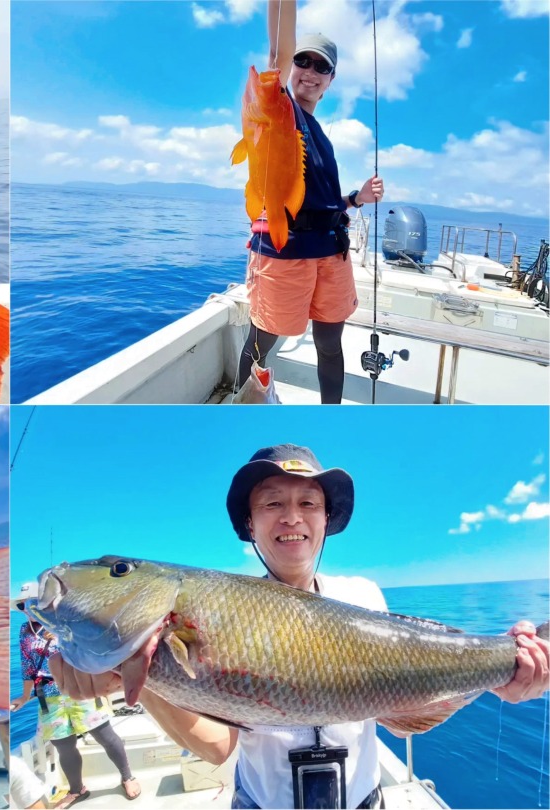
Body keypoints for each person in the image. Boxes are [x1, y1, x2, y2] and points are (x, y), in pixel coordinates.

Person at [50, 444, 550, 810]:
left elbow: (406, 709)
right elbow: (218, 746)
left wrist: (501, 675)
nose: (292, 517)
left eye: (308, 503)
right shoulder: (194, 616)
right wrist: (135, 676)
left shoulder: (363, 596)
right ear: (249, 524)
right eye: (272, 503)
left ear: (327, 518)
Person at [237, 1, 386, 404]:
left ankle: (330, 415)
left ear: (330, 79)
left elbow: (319, 199)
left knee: (330, 344)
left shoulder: (320, 134)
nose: (311, 71)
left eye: (322, 67)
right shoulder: (278, 107)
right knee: (262, 341)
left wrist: (356, 198)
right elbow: (275, 54)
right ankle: (241, 405)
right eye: (303, 60)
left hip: (330, 252)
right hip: (284, 250)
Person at [11, 582, 139, 808]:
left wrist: (63, 636)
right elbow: (27, 668)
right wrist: (23, 696)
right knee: (63, 745)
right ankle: (77, 789)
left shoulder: (63, 622)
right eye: (21, 605)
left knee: (105, 735)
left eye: (32, 603)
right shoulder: (23, 632)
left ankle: (127, 776)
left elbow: (94, 648)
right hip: (48, 696)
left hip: (79, 688)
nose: (27, 609)